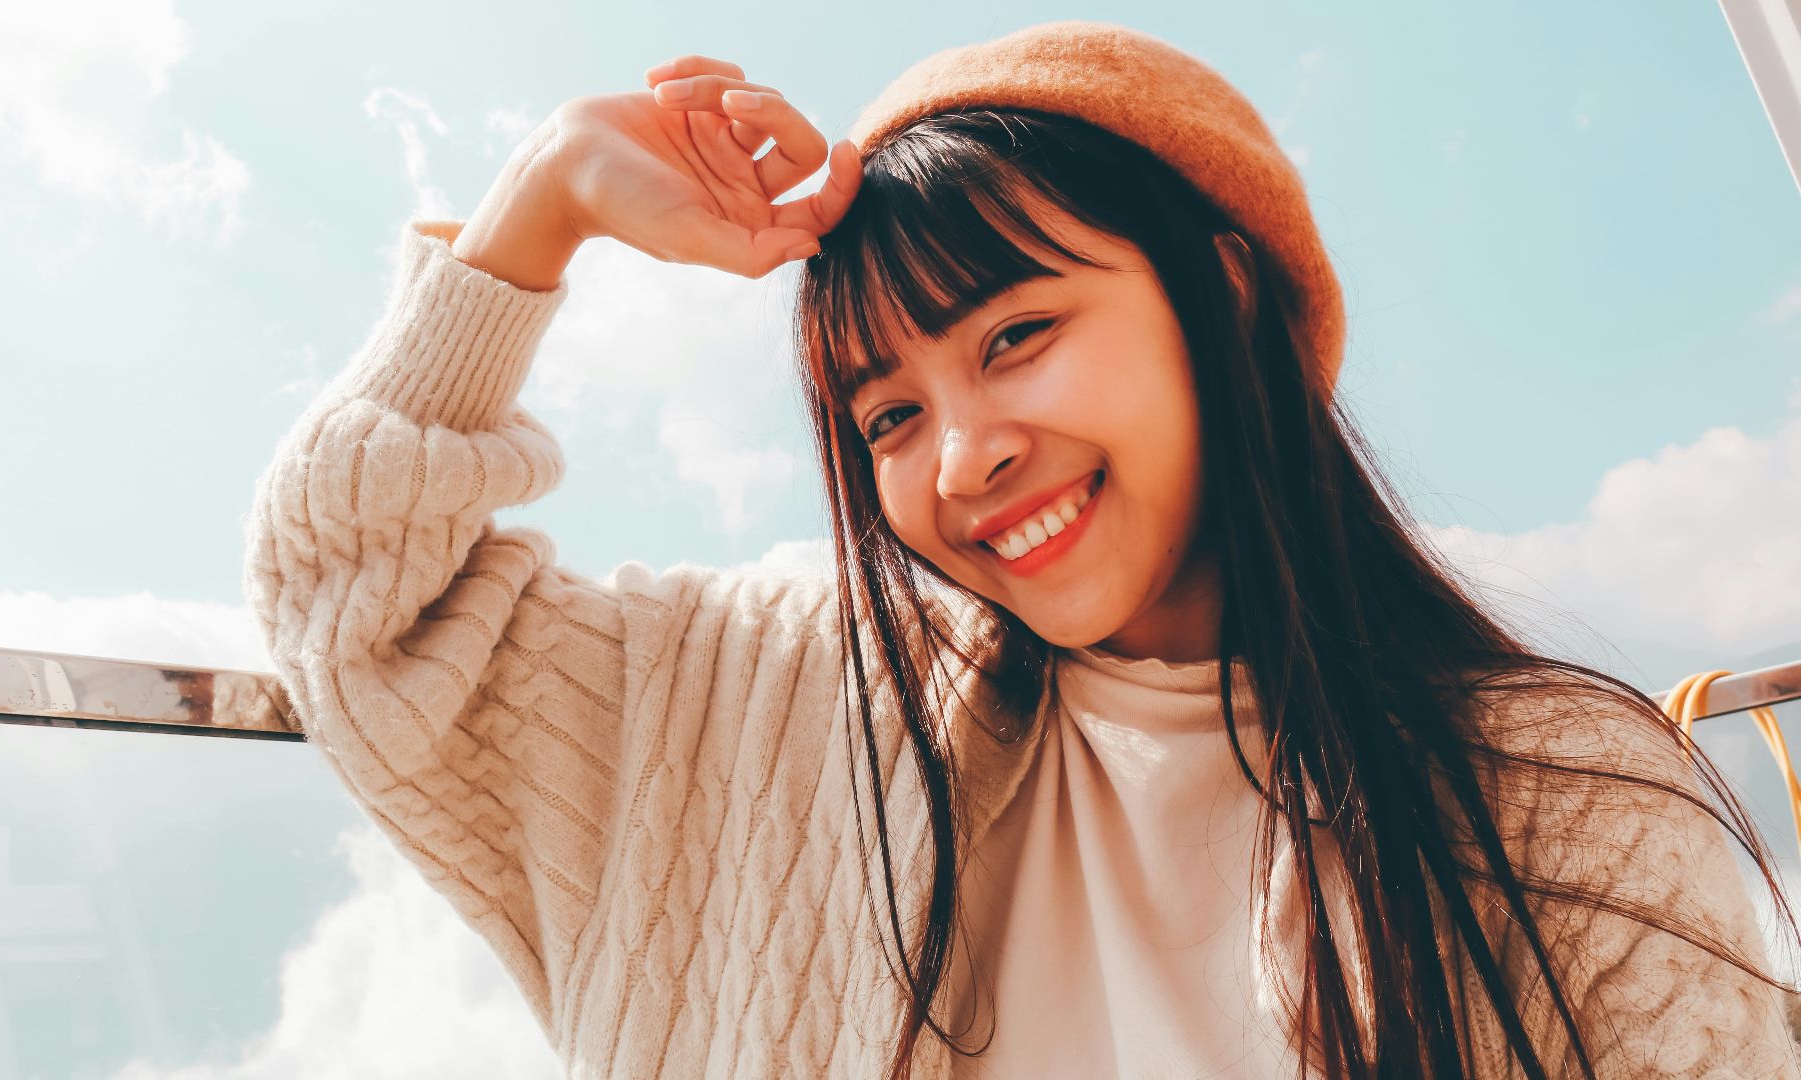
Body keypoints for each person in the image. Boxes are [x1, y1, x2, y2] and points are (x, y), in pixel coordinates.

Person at [242, 19, 1801, 1079]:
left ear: (1223, 292)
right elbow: (357, 613)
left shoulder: (1560, 796)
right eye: (888, 417)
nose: (964, 455)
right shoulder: (796, 701)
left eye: (1020, 333)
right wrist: (548, 196)